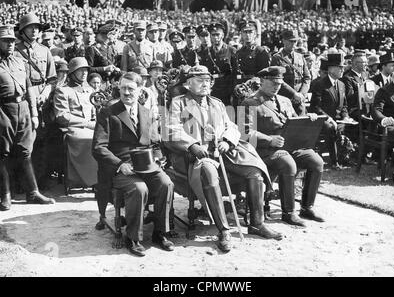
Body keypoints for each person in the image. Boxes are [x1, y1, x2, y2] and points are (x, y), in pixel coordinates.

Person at [165, 65, 283, 253]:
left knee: (254, 171)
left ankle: (257, 223)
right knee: (209, 172)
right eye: (199, 80)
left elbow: (231, 126)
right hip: (191, 154)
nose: (205, 84)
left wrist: (227, 141)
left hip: (221, 151)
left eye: (207, 81)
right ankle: (224, 230)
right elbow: (171, 129)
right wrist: (193, 145)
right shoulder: (179, 102)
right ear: (188, 83)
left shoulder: (217, 103)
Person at [92, 72, 174, 256]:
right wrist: (120, 164)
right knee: (139, 188)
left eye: (131, 89)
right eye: (123, 88)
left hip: (147, 165)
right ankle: (133, 237)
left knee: (166, 183)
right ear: (118, 89)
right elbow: (98, 148)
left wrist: (159, 158)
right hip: (120, 168)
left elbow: (154, 143)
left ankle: (160, 233)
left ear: (140, 90)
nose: (127, 93)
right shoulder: (108, 113)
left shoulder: (146, 113)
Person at [242, 66, 325, 227]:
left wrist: (308, 118)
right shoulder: (248, 102)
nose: (277, 86)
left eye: (279, 83)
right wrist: (269, 139)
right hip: (264, 151)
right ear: (262, 81)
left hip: (290, 147)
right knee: (288, 164)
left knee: (317, 162)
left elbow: (296, 123)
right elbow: (243, 132)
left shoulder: (285, 101)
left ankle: (307, 207)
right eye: (273, 82)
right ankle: (289, 212)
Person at [0, 25, 55, 211]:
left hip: (22, 108)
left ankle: (33, 193)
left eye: (11, 41)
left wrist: (33, 112)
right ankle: (5, 195)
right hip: (3, 109)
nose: (10, 44)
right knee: (3, 153)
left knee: (25, 152)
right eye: (5, 41)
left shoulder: (19, 61)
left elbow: (30, 88)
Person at [53, 57, 98, 188]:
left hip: (93, 126)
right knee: (90, 139)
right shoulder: (63, 90)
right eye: (80, 70)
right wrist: (87, 123)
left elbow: (95, 110)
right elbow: (62, 116)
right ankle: (90, 180)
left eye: (86, 70)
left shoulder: (90, 90)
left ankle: (108, 179)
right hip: (73, 128)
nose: (84, 73)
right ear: (72, 73)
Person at [310, 54, 351, 170]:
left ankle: (346, 156)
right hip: (322, 119)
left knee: (350, 126)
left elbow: (344, 105)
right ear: (331, 69)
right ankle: (335, 161)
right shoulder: (320, 84)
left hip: (338, 118)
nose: (343, 70)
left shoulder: (341, 84)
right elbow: (316, 107)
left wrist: (346, 116)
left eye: (342, 68)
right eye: (340, 68)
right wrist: (329, 118)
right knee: (331, 128)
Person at [372, 64, 394, 187]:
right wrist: (384, 119)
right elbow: (376, 110)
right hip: (387, 128)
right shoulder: (385, 91)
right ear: (392, 75)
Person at [271, 29, 311, 116]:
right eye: (291, 41)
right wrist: (294, 94)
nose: (293, 44)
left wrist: (302, 94)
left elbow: (307, 78)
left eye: (295, 41)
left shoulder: (300, 57)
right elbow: (278, 79)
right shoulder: (277, 58)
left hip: (299, 99)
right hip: (284, 97)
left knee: (302, 124)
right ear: (284, 41)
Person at [197, 22, 238, 106]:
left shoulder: (231, 50)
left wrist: (232, 90)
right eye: (213, 35)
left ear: (222, 35)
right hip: (211, 88)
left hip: (226, 87)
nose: (215, 37)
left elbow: (235, 72)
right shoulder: (205, 52)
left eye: (217, 34)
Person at [342, 51, 369, 120]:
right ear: (355, 64)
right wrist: (363, 89)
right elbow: (350, 99)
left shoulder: (365, 75)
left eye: (366, 62)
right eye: (364, 62)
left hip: (366, 107)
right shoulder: (348, 78)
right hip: (355, 110)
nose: (366, 64)